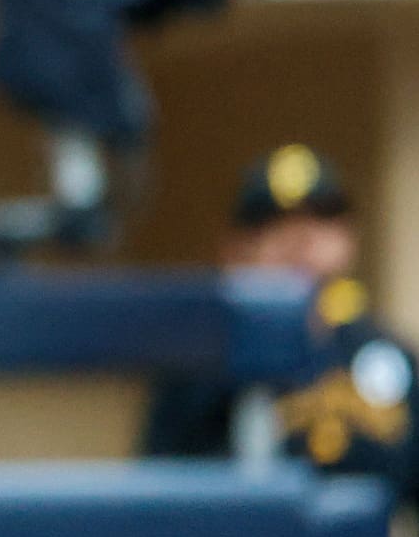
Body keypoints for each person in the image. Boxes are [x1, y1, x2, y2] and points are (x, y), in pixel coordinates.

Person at [146, 146, 418, 497]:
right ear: (236, 248)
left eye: (321, 218)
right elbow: (161, 494)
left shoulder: (388, 354)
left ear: (349, 238)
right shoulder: (200, 364)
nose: (301, 240)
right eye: (275, 224)